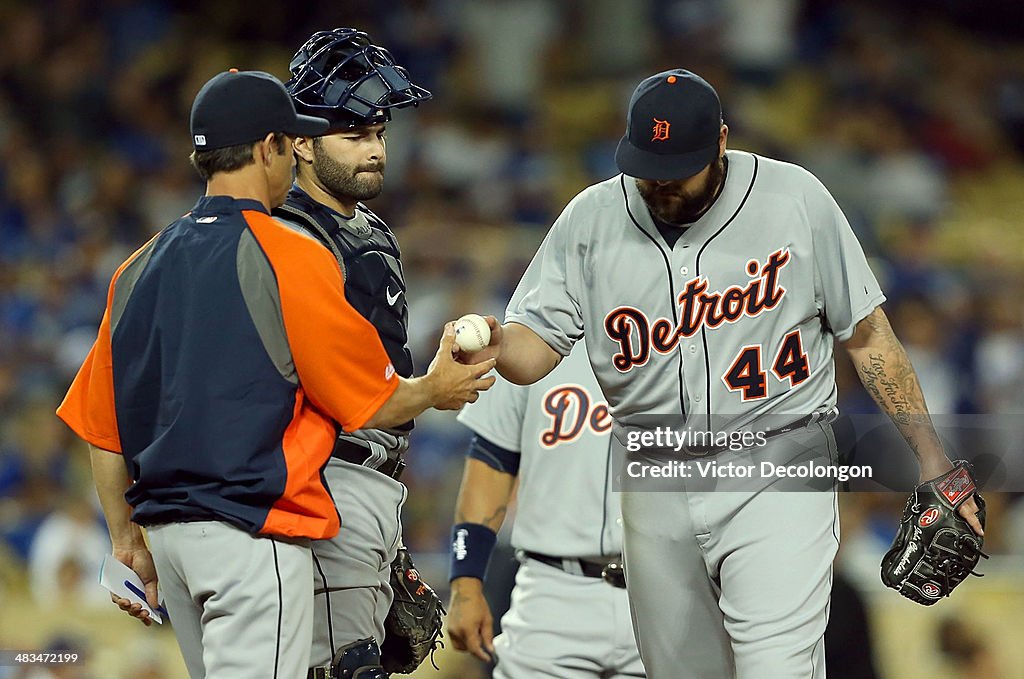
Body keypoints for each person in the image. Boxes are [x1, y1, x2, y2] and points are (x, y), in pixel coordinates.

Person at [461, 69, 984, 678]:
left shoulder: (796, 200)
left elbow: (868, 337)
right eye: (647, 165)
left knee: (776, 668)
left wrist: (932, 459)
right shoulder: (590, 220)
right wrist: (497, 344)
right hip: (653, 465)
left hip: (778, 458)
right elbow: (536, 352)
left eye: (676, 166)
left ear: (721, 144)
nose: (659, 183)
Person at [56, 69, 494, 679]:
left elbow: (104, 430)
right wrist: (435, 389)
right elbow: (369, 403)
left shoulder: (138, 264)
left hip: (171, 544)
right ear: (269, 147)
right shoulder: (289, 253)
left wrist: (127, 542)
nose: (294, 158)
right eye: (291, 142)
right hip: (249, 538)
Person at [273, 28, 435, 679]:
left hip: (368, 484)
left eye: (378, 132)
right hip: (324, 482)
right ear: (303, 143)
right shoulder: (287, 234)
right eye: (353, 135)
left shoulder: (366, 227)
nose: (373, 150)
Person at [446, 342, 645, 678]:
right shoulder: (533, 333)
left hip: (664, 588)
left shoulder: (691, 326)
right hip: (553, 590)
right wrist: (465, 581)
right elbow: (493, 457)